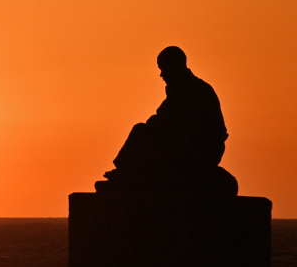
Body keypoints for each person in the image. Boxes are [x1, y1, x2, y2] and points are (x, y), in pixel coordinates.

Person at [96, 46, 238, 194]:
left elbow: (169, 122)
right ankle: (125, 173)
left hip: (200, 149)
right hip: (187, 143)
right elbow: (162, 117)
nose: (161, 75)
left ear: (175, 67)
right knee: (143, 131)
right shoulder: (181, 89)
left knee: (141, 132)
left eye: (164, 69)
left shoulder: (192, 90)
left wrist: (151, 129)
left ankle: (124, 175)